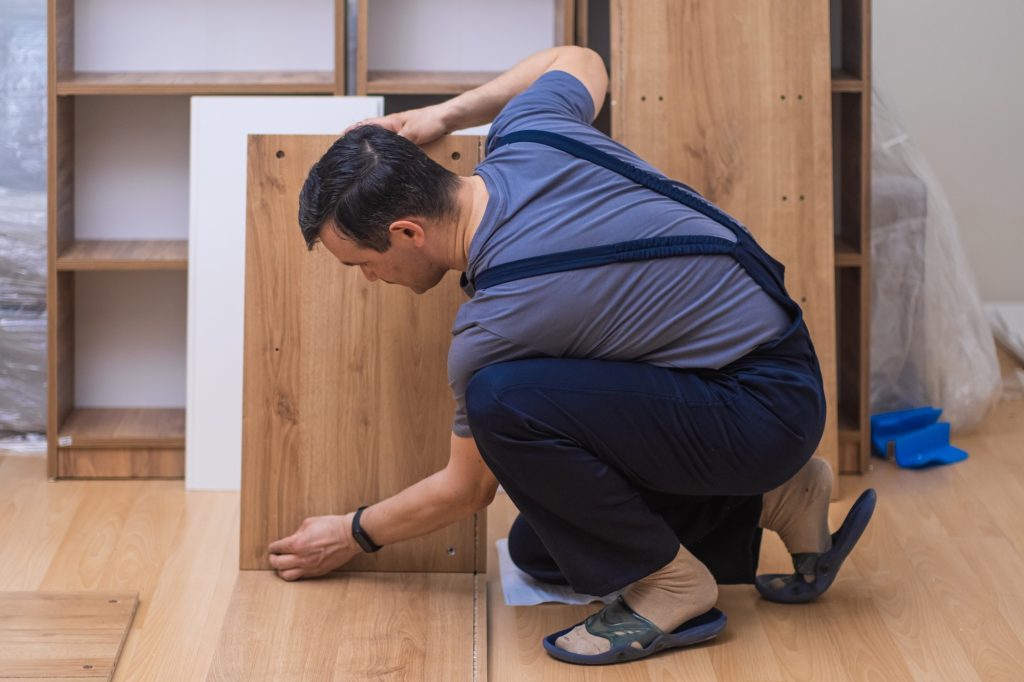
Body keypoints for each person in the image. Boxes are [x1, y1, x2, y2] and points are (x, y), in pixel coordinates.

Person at [267, 45, 877, 665]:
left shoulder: (498, 322)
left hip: (756, 408)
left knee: (501, 401)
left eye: (364, 265)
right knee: (544, 549)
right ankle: (782, 494)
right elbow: (580, 58)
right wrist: (446, 116)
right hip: (768, 371)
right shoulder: (530, 131)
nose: (370, 280)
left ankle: (672, 586)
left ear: (406, 232)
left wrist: (350, 533)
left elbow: (467, 489)